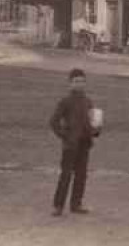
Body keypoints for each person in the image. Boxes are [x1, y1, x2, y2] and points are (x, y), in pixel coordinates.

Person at [49, 68, 100, 216]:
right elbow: (53, 122)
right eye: (76, 81)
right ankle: (58, 206)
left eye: (82, 81)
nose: (79, 84)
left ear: (85, 83)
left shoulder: (88, 102)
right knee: (65, 175)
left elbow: (92, 123)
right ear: (70, 84)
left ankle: (76, 204)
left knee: (81, 175)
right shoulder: (65, 102)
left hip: (84, 144)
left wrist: (95, 131)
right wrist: (65, 136)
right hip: (70, 146)